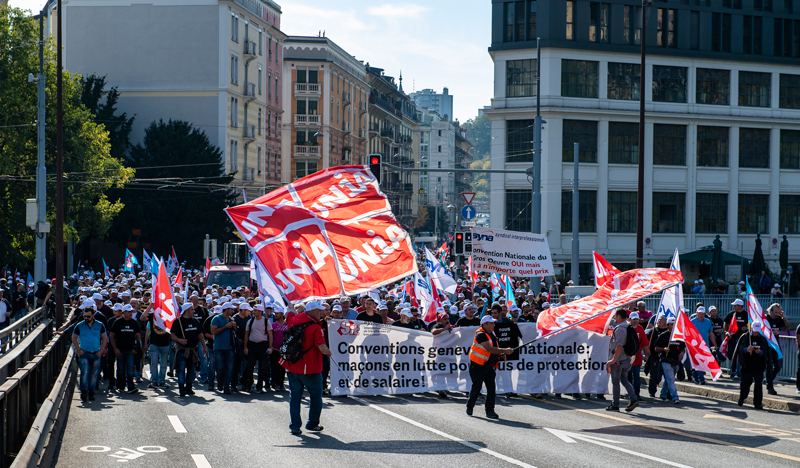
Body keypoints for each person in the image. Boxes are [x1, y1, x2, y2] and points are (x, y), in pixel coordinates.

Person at [281, 300, 332, 435]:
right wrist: (329, 352)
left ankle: (295, 426)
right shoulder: (316, 327)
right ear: (311, 312)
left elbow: (289, 316)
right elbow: (321, 347)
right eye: (319, 310)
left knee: (295, 397)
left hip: (292, 365)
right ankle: (313, 423)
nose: (321, 312)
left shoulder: (294, 320)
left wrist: (290, 307)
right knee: (315, 396)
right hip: (309, 368)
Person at [465, 315, 513, 419]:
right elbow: (490, 349)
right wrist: (505, 350)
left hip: (488, 365)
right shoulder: (481, 334)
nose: (493, 325)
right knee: (476, 388)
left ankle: (490, 411)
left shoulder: (491, 333)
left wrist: (501, 353)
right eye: (491, 323)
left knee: (491, 389)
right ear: (484, 324)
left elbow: (495, 347)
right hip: (477, 366)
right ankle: (470, 405)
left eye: (494, 323)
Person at [72, 301, 108, 401]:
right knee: (84, 373)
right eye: (84, 316)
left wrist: (101, 351)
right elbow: (74, 338)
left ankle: (91, 392)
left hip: (96, 353)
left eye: (88, 316)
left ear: (93, 315)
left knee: (94, 374)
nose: (86, 318)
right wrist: (78, 349)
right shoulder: (80, 325)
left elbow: (104, 338)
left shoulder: (100, 325)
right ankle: (84, 392)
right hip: (84, 353)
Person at [171, 302, 208, 397]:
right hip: (182, 350)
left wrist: (204, 347)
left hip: (193, 350)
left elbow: (200, 335)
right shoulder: (178, 321)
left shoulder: (195, 321)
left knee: (191, 370)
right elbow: (172, 335)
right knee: (181, 369)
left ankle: (189, 387)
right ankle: (182, 388)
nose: (194, 311)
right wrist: (179, 340)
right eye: (192, 309)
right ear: (186, 310)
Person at [606, 309, 638, 412]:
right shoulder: (628, 326)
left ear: (619, 316)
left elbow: (619, 345)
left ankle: (615, 405)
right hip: (626, 359)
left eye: (615, 316)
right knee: (624, 379)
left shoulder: (620, 329)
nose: (614, 318)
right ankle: (633, 399)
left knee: (615, 382)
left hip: (619, 360)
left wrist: (612, 360)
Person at [110, 304, 142, 395]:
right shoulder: (117, 322)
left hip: (130, 350)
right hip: (120, 350)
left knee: (130, 368)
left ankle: (131, 386)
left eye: (131, 311)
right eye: (129, 312)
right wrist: (115, 349)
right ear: (123, 312)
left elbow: (138, 336)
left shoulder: (134, 323)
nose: (131, 313)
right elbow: (112, 336)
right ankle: (121, 386)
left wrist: (137, 346)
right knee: (120, 369)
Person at [737, 322, 769, 409]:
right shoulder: (744, 337)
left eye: (757, 331)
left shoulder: (762, 339)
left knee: (758, 384)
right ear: (751, 329)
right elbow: (739, 350)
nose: (756, 333)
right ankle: (742, 397)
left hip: (758, 366)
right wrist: (746, 350)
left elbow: (765, 352)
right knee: (745, 384)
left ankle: (758, 403)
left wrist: (760, 352)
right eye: (755, 331)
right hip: (747, 366)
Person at [242, 304, 273, 393]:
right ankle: (249, 384)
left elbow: (270, 335)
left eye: (255, 311)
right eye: (253, 311)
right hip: (252, 346)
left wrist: (270, 347)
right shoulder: (250, 321)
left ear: (260, 312)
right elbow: (246, 335)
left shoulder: (266, 321)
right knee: (250, 366)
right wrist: (245, 347)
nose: (253, 312)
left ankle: (260, 386)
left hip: (262, 346)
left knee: (262, 367)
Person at [654, 317, 685, 404]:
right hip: (666, 361)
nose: (673, 326)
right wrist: (664, 349)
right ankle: (675, 397)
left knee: (669, 379)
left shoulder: (679, 336)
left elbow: (683, 348)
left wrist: (682, 353)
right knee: (671, 379)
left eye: (674, 324)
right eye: (671, 324)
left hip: (676, 361)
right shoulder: (663, 335)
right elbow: (656, 348)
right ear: (668, 325)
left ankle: (663, 394)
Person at [140, 303, 171, 389]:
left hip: (165, 343)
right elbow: (142, 318)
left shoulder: (168, 315)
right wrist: (149, 307)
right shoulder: (152, 315)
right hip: (154, 343)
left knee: (164, 364)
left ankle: (161, 381)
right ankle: (154, 380)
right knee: (154, 362)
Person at [211, 303, 237, 394]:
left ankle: (226, 387)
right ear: (226, 309)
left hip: (229, 348)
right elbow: (213, 331)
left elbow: (235, 333)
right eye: (231, 309)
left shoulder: (231, 319)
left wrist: (234, 327)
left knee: (229, 368)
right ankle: (220, 384)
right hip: (219, 348)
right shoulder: (216, 318)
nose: (233, 311)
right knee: (220, 367)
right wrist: (226, 327)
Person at [764, 304, 789, 395]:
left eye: (779, 312)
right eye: (775, 312)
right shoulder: (765, 319)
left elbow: (787, 327)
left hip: (775, 345)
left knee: (778, 365)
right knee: (769, 366)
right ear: (771, 311)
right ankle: (769, 386)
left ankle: (768, 379)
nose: (777, 314)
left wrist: (784, 317)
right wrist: (771, 333)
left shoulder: (779, 319)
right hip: (767, 345)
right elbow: (761, 330)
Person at [690, 307, 717, 384]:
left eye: (702, 314)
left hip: (705, 345)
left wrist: (714, 344)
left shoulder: (708, 322)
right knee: (700, 362)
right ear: (696, 313)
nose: (700, 315)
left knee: (702, 362)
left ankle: (694, 375)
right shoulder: (692, 322)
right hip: (695, 345)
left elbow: (711, 333)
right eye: (699, 313)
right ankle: (701, 378)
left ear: (705, 314)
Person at [627, 312, 649, 400]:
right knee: (627, 376)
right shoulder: (626, 328)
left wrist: (646, 355)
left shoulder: (640, 329)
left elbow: (644, 343)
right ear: (630, 320)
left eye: (636, 319)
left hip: (637, 357)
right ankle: (628, 392)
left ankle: (636, 393)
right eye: (633, 319)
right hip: (626, 357)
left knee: (636, 375)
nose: (635, 321)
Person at [724, 299, 749, 377]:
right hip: (733, 338)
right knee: (732, 354)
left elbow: (751, 324)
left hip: (743, 338)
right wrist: (726, 331)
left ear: (740, 306)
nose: (734, 307)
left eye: (735, 305)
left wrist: (747, 328)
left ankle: (739, 371)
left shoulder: (746, 314)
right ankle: (732, 371)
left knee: (741, 354)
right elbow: (725, 322)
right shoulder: (732, 314)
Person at [270, 307, 288, 391]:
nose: (275, 315)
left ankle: (281, 383)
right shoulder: (273, 325)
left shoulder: (287, 325)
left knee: (282, 368)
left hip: (284, 350)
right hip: (275, 350)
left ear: (282, 314)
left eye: (277, 313)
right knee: (275, 367)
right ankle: (276, 383)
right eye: (275, 313)